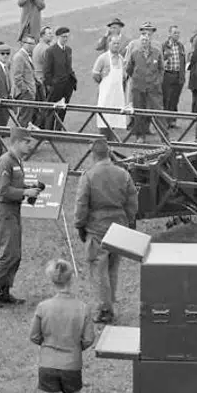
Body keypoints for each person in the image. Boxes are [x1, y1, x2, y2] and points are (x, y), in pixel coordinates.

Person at [30, 259, 99, 393]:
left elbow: (34, 336)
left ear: (51, 281)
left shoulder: (43, 307)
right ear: (71, 279)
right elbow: (88, 339)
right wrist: (74, 347)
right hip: (71, 364)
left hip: (48, 364)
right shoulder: (82, 307)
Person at [74, 138, 139, 323]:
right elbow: (132, 200)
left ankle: (104, 309)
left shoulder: (88, 176)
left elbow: (81, 204)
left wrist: (79, 225)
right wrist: (129, 220)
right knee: (113, 267)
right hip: (118, 225)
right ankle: (110, 301)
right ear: (109, 152)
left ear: (93, 154)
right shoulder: (123, 174)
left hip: (97, 228)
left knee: (98, 269)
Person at [0, 131, 45, 309]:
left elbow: (14, 185)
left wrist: (27, 187)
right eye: (26, 142)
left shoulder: (17, 161)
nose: (29, 145)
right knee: (9, 253)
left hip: (13, 210)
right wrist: (25, 192)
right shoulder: (6, 161)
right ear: (16, 142)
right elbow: (2, 190)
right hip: (5, 211)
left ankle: (4, 289)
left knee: (16, 254)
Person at [125, 23, 164, 139]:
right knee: (139, 110)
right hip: (138, 85)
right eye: (144, 32)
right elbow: (129, 67)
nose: (147, 34)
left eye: (150, 31)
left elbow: (161, 67)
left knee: (157, 110)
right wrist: (136, 78)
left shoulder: (157, 47)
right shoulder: (133, 47)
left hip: (153, 85)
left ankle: (161, 135)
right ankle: (139, 135)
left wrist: (158, 80)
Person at [92, 37, 130, 137]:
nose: (116, 46)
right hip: (105, 93)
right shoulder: (103, 58)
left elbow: (124, 76)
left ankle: (111, 137)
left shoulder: (121, 59)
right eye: (114, 43)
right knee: (104, 115)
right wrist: (102, 78)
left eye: (118, 44)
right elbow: (95, 74)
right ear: (109, 44)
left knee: (114, 115)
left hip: (116, 93)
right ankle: (103, 137)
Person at [42, 27, 77, 134]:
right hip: (56, 86)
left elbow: (68, 67)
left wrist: (72, 80)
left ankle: (58, 131)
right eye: (63, 37)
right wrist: (52, 84)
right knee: (51, 110)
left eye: (67, 37)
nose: (65, 39)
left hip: (67, 85)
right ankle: (48, 132)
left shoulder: (68, 50)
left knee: (63, 109)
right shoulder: (50, 51)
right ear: (58, 37)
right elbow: (47, 71)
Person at [160, 24, 186, 121]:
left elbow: (183, 61)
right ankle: (165, 120)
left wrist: (182, 76)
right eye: (175, 33)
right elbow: (160, 61)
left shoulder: (180, 46)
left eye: (178, 33)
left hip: (178, 75)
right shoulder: (164, 46)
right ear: (169, 34)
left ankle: (172, 120)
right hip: (168, 75)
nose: (177, 35)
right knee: (167, 98)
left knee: (175, 99)